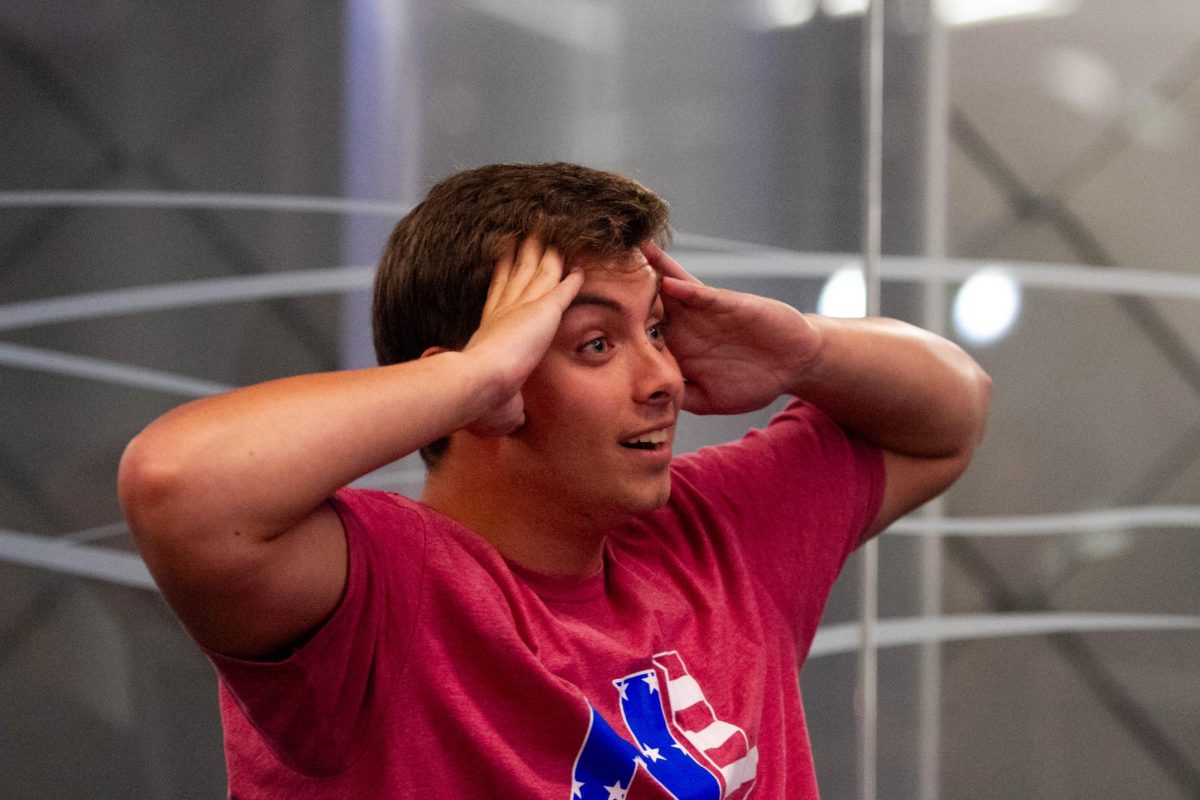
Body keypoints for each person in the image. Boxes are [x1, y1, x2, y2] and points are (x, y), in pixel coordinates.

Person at [118, 162, 990, 799]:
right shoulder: (383, 589)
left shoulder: (714, 532)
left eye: (657, 329)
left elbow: (952, 411)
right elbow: (177, 486)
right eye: (596, 345)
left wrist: (807, 349)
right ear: (482, 383)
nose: (664, 378)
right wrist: (470, 378)